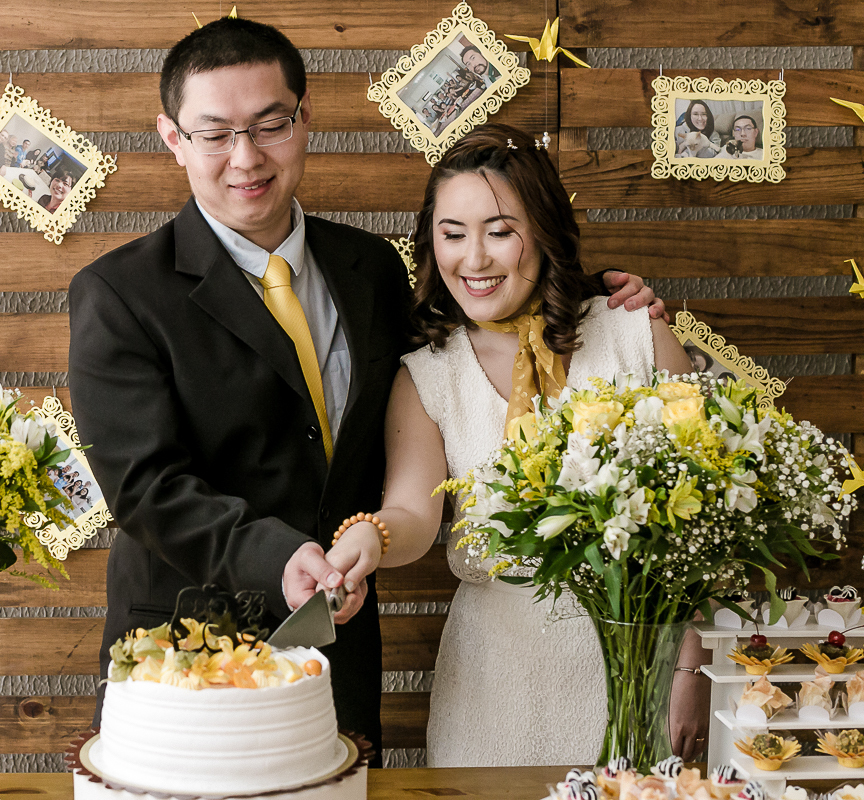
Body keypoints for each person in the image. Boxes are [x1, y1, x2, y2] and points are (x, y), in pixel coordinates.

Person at [67, 17, 664, 762]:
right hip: (184, 649)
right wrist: (280, 557)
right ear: (173, 138)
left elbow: (483, 324)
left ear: (304, 119)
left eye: (270, 124)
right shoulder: (119, 293)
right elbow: (143, 486)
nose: (245, 157)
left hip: (340, 646)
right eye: (214, 134)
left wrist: (593, 295)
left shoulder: (371, 269)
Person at [324, 124, 710, 767]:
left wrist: (690, 664)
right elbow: (413, 512)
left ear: (546, 232)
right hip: (492, 673)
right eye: (452, 234)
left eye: (500, 231)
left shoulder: (635, 333)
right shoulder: (427, 374)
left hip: (634, 654)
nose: (474, 259)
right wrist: (372, 535)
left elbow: (700, 518)